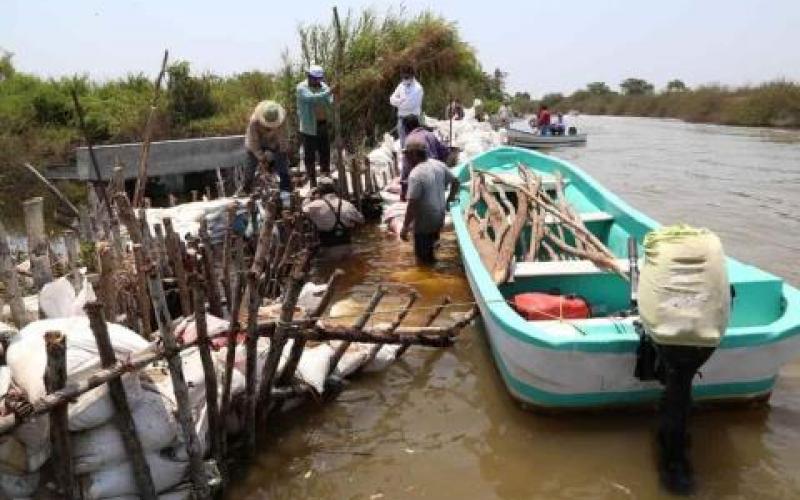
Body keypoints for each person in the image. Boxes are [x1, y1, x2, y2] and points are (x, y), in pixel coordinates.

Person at [400, 138, 460, 264]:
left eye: (407, 155)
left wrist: (405, 227)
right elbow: (456, 182)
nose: (406, 158)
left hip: (424, 223)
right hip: (439, 219)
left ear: (415, 155)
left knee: (422, 262)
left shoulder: (416, 174)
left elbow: (412, 204)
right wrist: (450, 199)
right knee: (431, 252)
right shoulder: (439, 165)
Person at [296, 64, 334, 187]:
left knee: (325, 152)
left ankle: (325, 178)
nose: (317, 81)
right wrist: (329, 92)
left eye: (319, 78)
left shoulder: (324, 87)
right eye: (315, 78)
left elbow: (330, 101)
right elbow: (311, 98)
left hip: (322, 124)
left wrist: (334, 96)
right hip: (309, 126)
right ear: (309, 76)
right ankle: (312, 180)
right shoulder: (302, 88)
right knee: (310, 155)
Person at [400, 114, 450, 201]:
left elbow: (406, 168)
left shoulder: (409, 141)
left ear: (406, 128)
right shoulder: (430, 135)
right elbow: (445, 152)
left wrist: (403, 193)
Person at [243, 100, 290, 193]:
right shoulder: (254, 122)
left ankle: (286, 188)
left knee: (282, 163)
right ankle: (247, 188)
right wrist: (263, 159)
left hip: (273, 142)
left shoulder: (282, 119)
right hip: (256, 144)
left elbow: (283, 138)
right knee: (250, 165)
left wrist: (283, 150)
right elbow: (253, 143)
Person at [302, 176, 364, 246]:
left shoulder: (315, 205)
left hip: (326, 247)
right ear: (335, 190)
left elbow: (303, 211)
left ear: (319, 191)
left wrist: (309, 196)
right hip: (347, 246)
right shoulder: (347, 204)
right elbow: (361, 220)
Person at [389, 66, 424, 147]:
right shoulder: (401, 85)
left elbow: (409, 105)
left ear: (412, 76)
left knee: (414, 144)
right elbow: (391, 99)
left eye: (406, 77)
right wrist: (400, 101)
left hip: (413, 120)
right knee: (403, 144)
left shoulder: (418, 88)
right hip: (401, 119)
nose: (404, 79)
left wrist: (398, 102)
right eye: (403, 77)